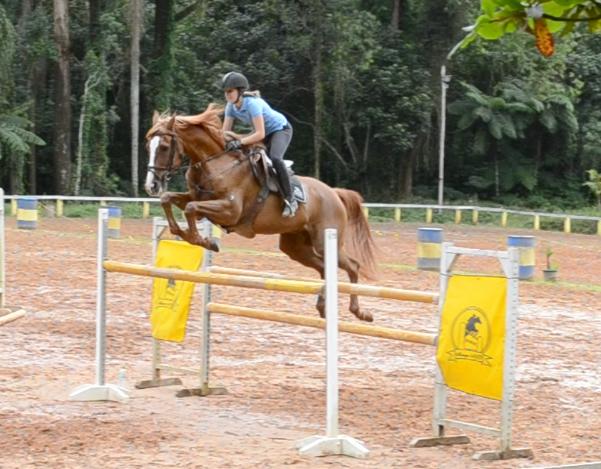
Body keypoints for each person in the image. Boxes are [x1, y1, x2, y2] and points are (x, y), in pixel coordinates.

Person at [221, 71, 297, 218]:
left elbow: (260, 134)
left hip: (280, 130)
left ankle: (290, 199)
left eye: (230, 91)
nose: (227, 95)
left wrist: (240, 141)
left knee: (275, 158)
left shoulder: (252, 104)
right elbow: (224, 133)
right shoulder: (230, 107)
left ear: (240, 91)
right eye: (225, 92)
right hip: (260, 133)